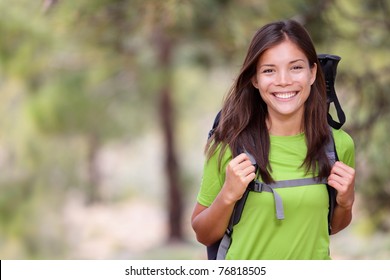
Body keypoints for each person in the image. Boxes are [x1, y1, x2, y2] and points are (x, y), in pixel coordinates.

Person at [191, 19, 355, 260]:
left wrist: (346, 201)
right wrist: (228, 194)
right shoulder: (229, 145)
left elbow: (330, 227)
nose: (283, 80)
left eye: (296, 67)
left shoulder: (338, 145)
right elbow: (203, 234)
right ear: (255, 79)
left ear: (312, 73)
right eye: (269, 70)